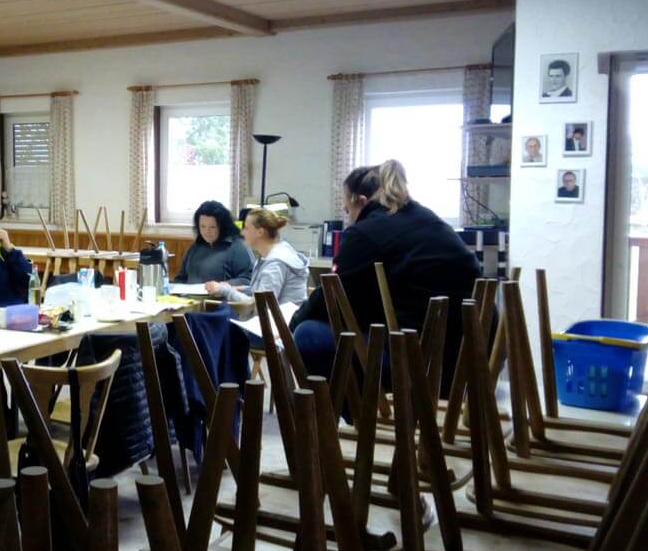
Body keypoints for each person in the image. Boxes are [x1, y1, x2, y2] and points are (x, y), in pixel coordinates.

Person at [289, 160, 481, 396]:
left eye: (348, 211)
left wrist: (292, 324)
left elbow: (329, 298)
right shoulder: (430, 219)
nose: (348, 220)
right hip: (468, 357)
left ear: (361, 201)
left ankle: (354, 413)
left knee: (308, 333)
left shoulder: (365, 232)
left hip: (416, 361)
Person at [205, 207, 308, 304]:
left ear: (260, 232)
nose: (242, 232)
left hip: (282, 317)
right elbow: (261, 292)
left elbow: (261, 305)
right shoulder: (274, 253)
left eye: (246, 228)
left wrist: (226, 291)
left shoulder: (275, 264)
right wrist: (237, 289)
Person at [174, 200, 254, 285]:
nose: (207, 232)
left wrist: (221, 287)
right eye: (203, 226)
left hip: (222, 293)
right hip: (189, 293)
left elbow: (248, 279)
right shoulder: (194, 247)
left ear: (222, 226)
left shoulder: (238, 247)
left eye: (212, 227)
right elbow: (180, 279)